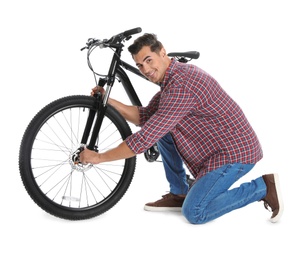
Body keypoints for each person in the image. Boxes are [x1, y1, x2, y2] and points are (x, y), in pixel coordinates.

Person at [80, 33, 283, 224]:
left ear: (162, 52)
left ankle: (263, 187)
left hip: (234, 155)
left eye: (149, 60)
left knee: (194, 212)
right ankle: (179, 193)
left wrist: (98, 158)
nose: (145, 69)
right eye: (140, 65)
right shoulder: (172, 80)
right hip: (219, 150)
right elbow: (147, 116)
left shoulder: (181, 86)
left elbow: (144, 140)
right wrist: (110, 101)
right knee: (162, 129)